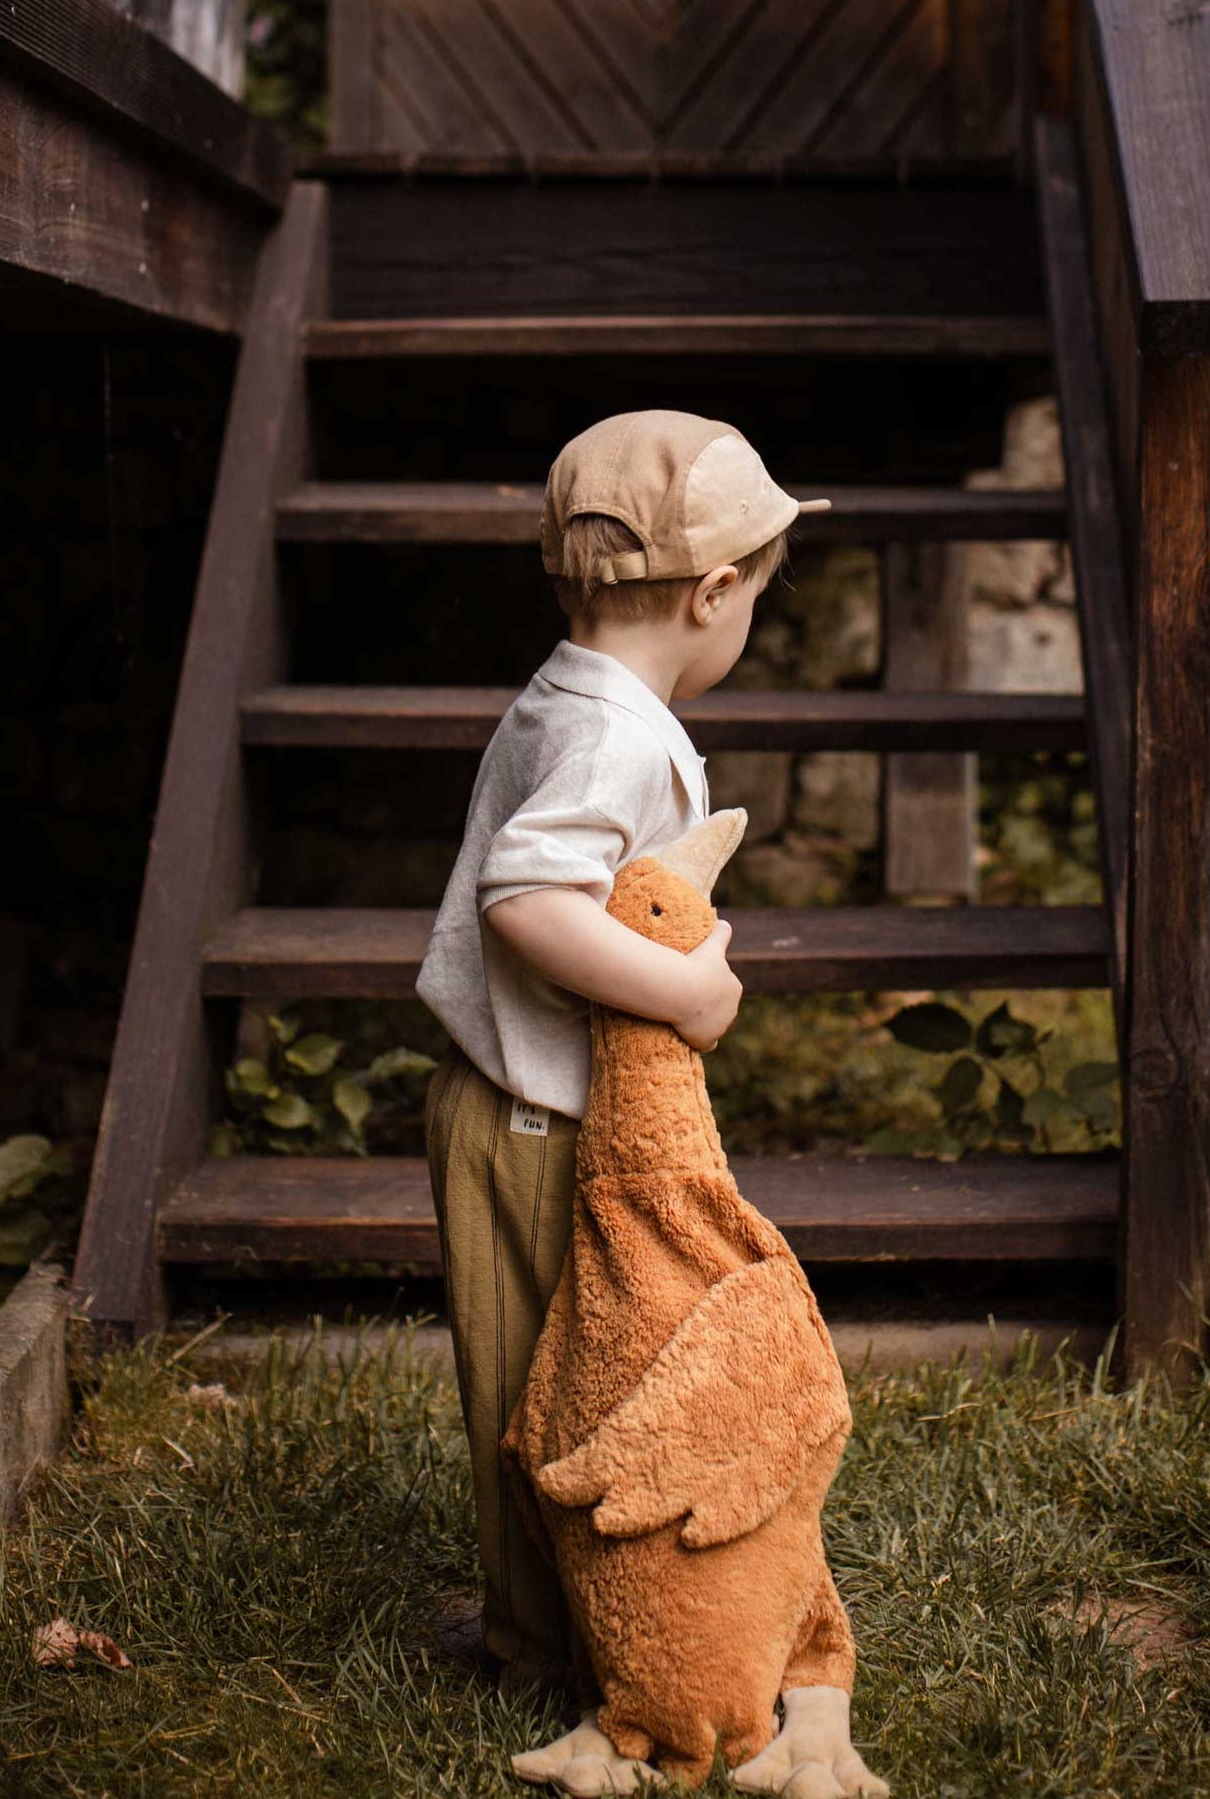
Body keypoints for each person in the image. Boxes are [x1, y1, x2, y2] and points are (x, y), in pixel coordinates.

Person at [417, 410, 863, 1793]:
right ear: (714, 593)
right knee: (543, 1384)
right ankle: (542, 1642)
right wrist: (684, 992)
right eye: (758, 598)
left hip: (532, 1105)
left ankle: (581, 1612)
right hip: (535, 1123)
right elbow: (527, 897)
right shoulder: (622, 739)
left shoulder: (568, 698)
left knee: (579, 1372)